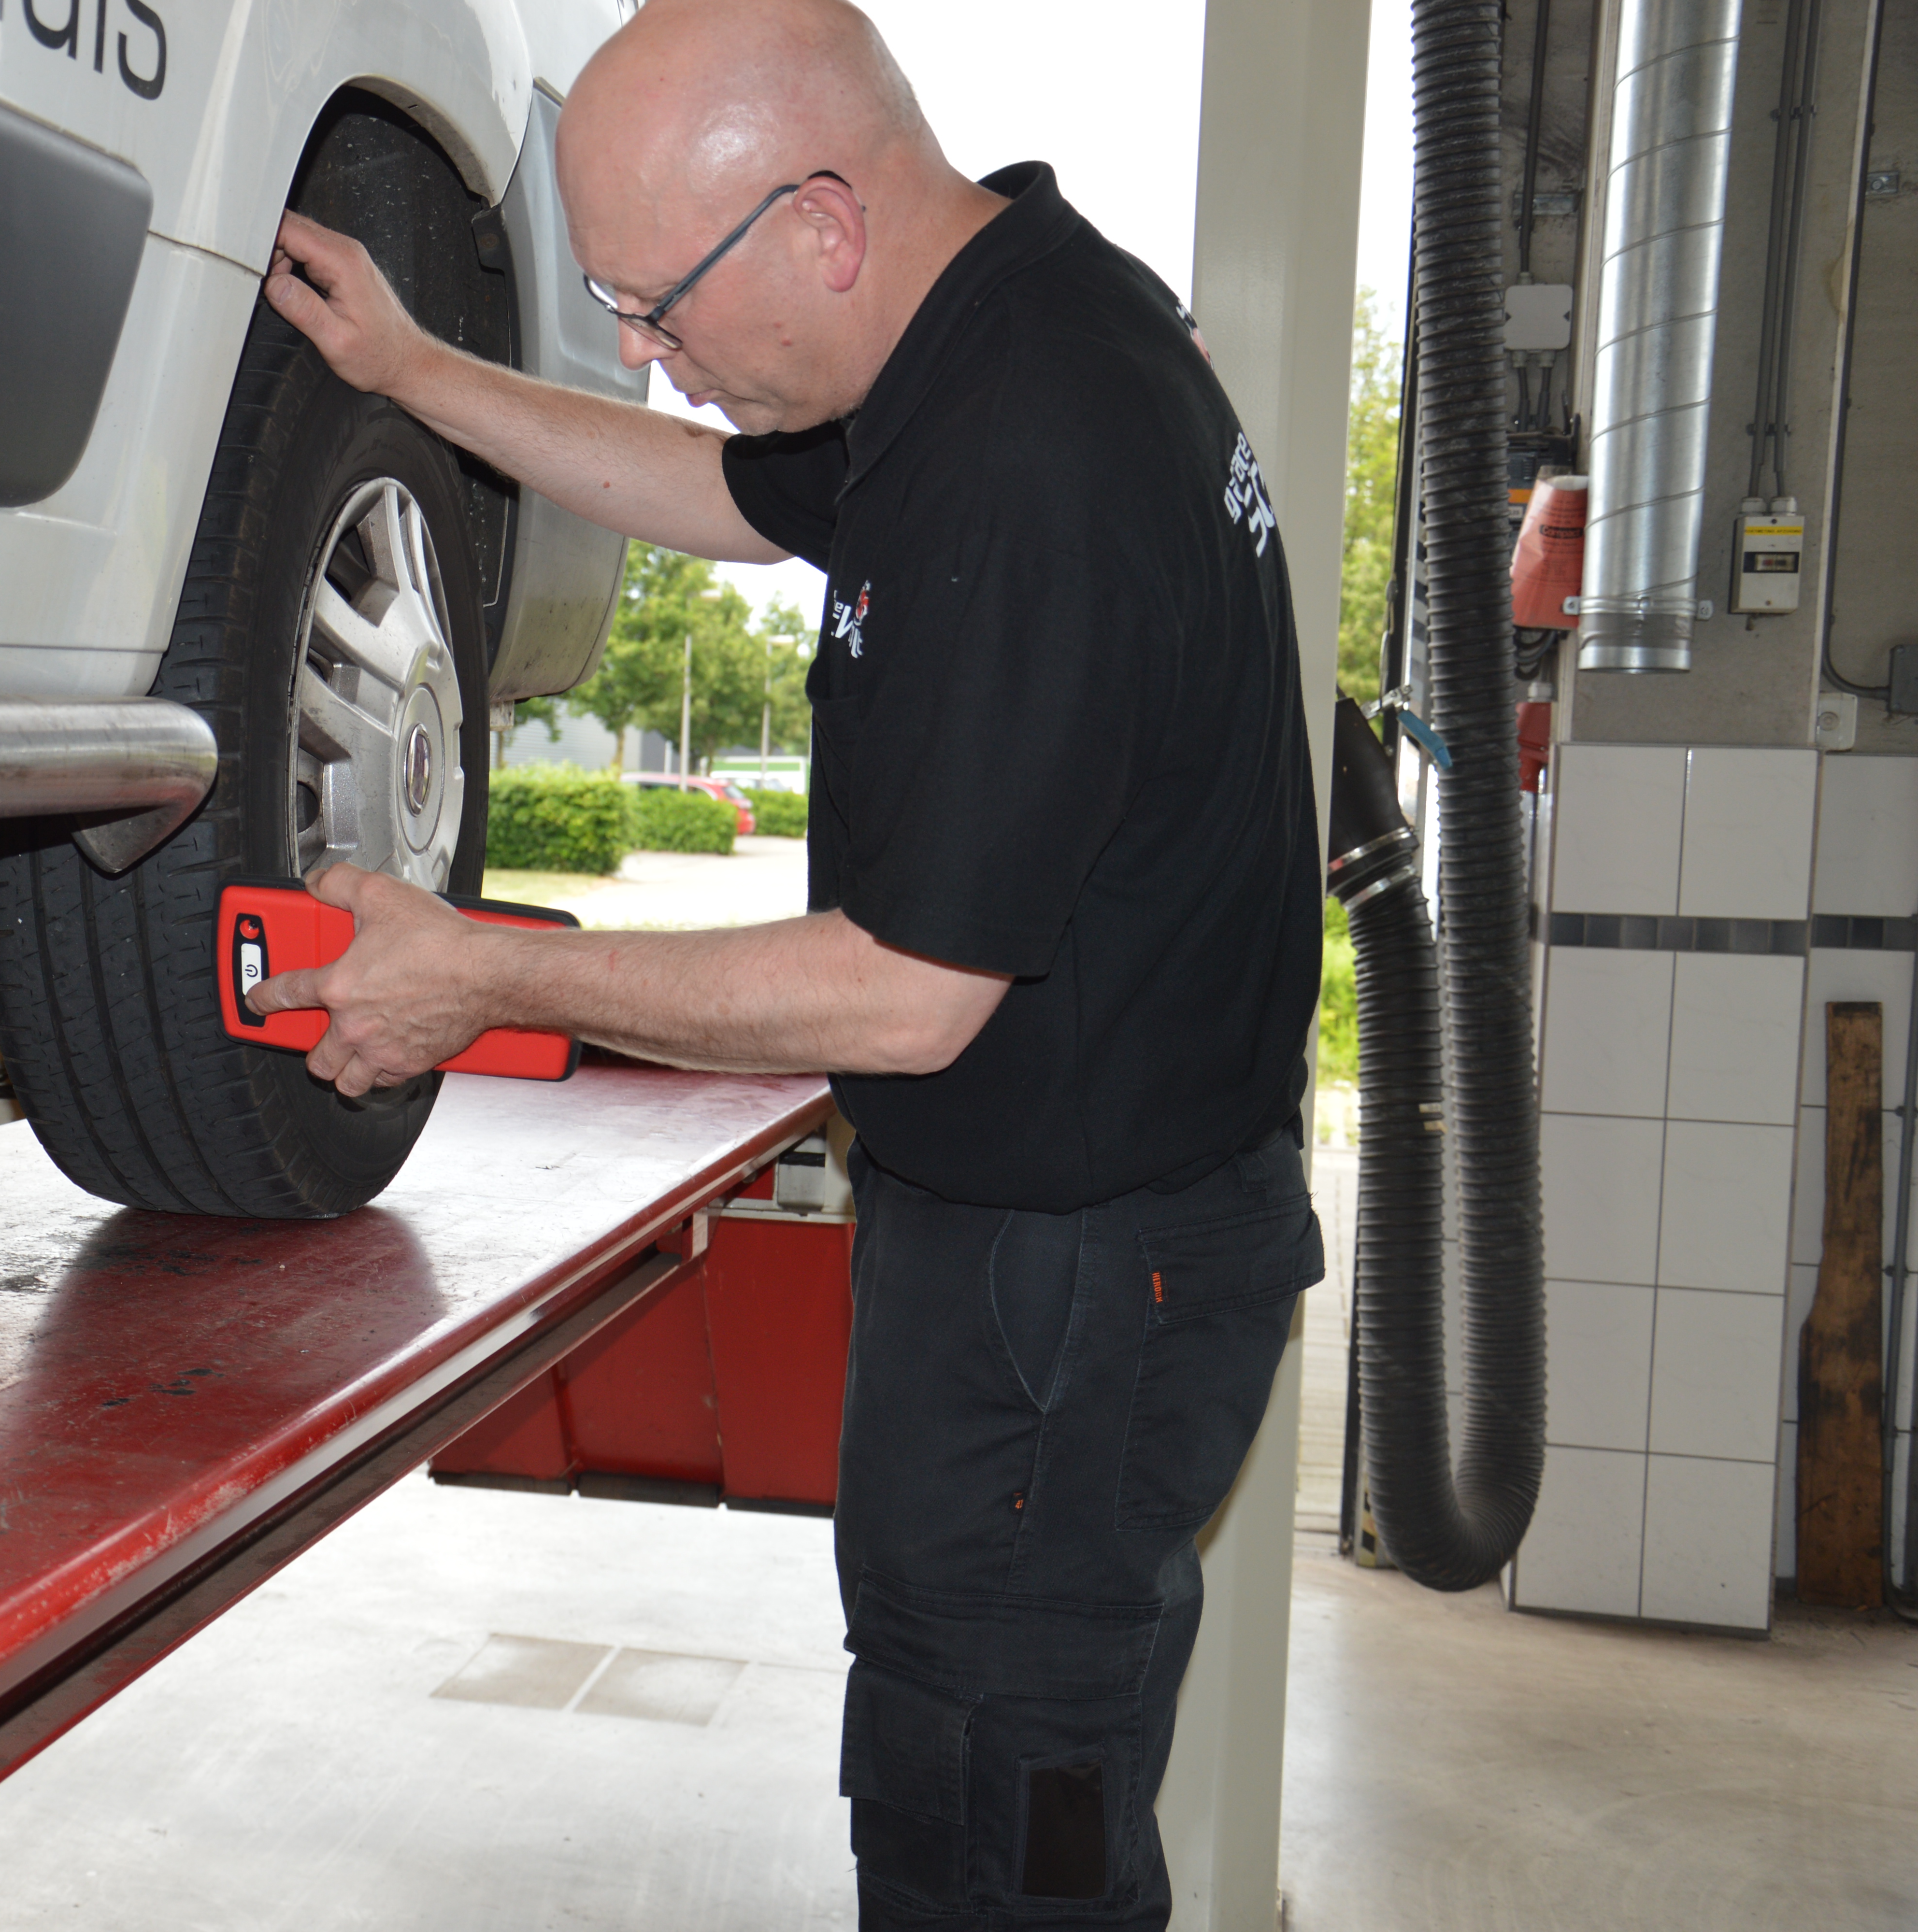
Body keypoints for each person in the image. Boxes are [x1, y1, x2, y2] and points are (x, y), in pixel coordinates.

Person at [251, 1, 1324, 1924]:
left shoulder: (1033, 456)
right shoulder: (968, 339)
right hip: (1054, 1252)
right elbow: (708, 497)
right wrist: (415, 372)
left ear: (820, 220)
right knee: (955, 1745)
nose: (654, 358)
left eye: (659, 309)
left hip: (1082, 1294)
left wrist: (490, 975)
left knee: (1020, 1807)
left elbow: (908, 992)